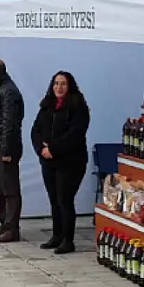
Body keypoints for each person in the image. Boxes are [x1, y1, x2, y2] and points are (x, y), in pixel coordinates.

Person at [31, 71, 90, 254]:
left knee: (65, 199)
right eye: (56, 83)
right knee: (54, 199)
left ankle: (67, 240)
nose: (59, 87)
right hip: (48, 161)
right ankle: (56, 236)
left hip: (70, 161)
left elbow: (75, 134)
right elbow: (36, 130)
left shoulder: (78, 107)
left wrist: (53, 149)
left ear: (69, 86)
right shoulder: (46, 105)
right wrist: (41, 149)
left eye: (63, 83)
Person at [0, 58, 25, 243]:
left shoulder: (8, 92)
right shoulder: (1, 89)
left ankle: (11, 227)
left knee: (10, 189)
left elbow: (10, 122)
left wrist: (7, 149)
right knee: (1, 187)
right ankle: (4, 223)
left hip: (6, 146)